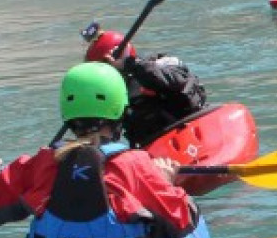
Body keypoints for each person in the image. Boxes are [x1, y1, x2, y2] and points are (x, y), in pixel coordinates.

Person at [0, 62, 199, 238]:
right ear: (120, 110)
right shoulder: (135, 164)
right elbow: (184, 219)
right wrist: (166, 180)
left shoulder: (41, 162)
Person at [81, 26, 209, 149]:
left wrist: (130, 64)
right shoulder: (115, 93)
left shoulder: (161, 63)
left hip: (193, 130)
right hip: (155, 147)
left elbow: (175, 80)